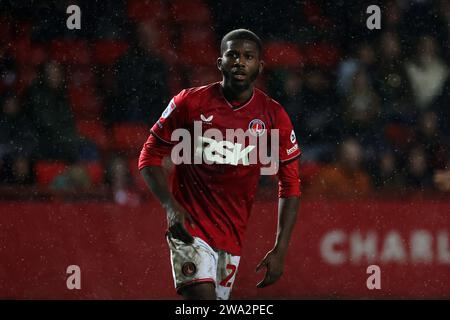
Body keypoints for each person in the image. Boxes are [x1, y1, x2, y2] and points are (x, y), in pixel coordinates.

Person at [138, 29, 301, 300]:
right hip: (189, 227)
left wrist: (280, 249)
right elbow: (148, 156)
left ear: (259, 67)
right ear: (220, 63)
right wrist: (169, 205)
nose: (240, 62)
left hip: (232, 234)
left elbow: (291, 183)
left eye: (248, 57)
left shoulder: (273, 115)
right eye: (233, 55)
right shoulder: (189, 102)